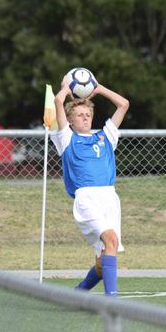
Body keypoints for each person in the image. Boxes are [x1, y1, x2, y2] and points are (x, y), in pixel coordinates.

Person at [50, 76, 129, 296]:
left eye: (88, 115)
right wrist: (66, 88)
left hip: (110, 198)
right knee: (111, 240)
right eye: (79, 116)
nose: (85, 119)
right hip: (87, 199)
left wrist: (100, 88)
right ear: (70, 121)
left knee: (103, 264)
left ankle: (78, 293)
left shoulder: (106, 137)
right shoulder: (67, 139)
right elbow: (58, 101)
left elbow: (123, 104)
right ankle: (112, 300)